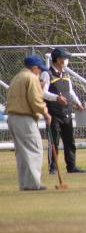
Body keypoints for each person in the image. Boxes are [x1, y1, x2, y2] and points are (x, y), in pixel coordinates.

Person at [6, 55, 52, 190]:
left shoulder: (17, 77)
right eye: (39, 69)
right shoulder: (31, 78)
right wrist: (45, 113)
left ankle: (25, 183)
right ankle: (33, 183)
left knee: (22, 153)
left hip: (12, 117)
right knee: (34, 149)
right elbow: (35, 99)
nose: (40, 72)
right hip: (24, 118)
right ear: (34, 68)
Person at [41, 48, 86, 174]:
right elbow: (42, 93)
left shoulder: (66, 74)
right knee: (54, 142)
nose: (66, 60)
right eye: (64, 58)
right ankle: (53, 168)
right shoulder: (47, 74)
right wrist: (56, 98)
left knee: (70, 141)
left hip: (66, 112)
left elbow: (70, 92)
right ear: (57, 59)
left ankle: (71, 167)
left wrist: (77, 103)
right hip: (53, 113)